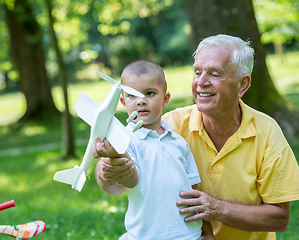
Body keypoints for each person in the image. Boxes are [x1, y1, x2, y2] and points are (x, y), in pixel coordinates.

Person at [95, 34, 299, 240]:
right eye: (197, 72)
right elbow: (119, 181)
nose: (201, 82)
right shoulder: (169, 127)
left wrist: (217, 209)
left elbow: (279, 218)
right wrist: (106, 171)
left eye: (214, 74)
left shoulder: (266, 131)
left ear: (242, 85)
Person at [93, 60, 214, 239]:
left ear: (165, 99)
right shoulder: (126, 142)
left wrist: (207, 233)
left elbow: (195, 192)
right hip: (146, 235)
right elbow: (131, 180)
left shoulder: (179, 142)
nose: (141, 101)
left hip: (188, 234)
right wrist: (116, 155)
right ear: (123, 102)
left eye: (149, 93)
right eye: (132, 96)